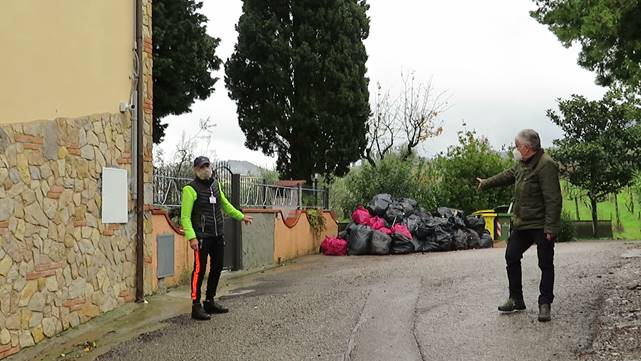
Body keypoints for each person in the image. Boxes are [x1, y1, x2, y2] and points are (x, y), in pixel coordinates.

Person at [477, 129, 562, 322]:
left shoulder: (546, 165)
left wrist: (551, 228)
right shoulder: (521, 164)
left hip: (541, 224)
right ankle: (516, 299)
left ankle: (545, 303)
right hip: (523, 223)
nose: (516, 149)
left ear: (527, 147)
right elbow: (506, 175)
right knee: (511, 255)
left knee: (545, 263)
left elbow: (553, 199)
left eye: (517, 146)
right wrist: (485, 183)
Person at [181, 156, 253, 320]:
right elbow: (185, 217)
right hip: (201, 237)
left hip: (217, 234)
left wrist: (241, 217)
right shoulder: (190, 189)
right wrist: (192, 237)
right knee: (199, 270)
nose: (205, 169)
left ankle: (209, 300)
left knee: (217, 266)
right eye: (202, 167)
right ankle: (195, 305)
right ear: (195, 170)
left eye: (207, 165)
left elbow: (225, 205)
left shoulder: (215, 185)